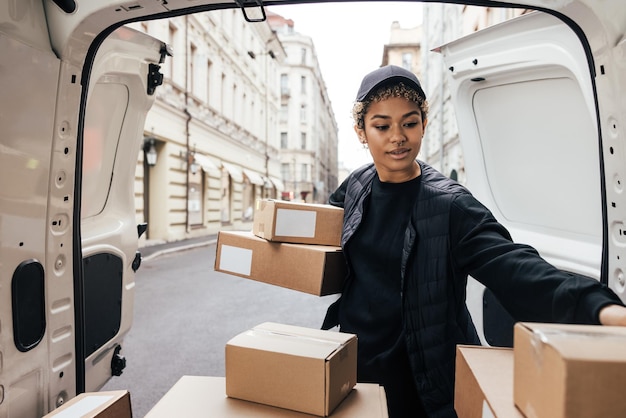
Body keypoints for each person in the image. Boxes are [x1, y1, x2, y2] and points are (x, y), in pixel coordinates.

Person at [322, 65, 626, 418]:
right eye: (382, 125)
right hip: (357, 364)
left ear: (423, 123)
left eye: (409, 122)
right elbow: (324, 226)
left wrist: (600, 309)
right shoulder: (358, 184)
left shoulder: (449, 204)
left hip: (423, 379)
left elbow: (513, 265)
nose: (397, 137)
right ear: (361, 131)